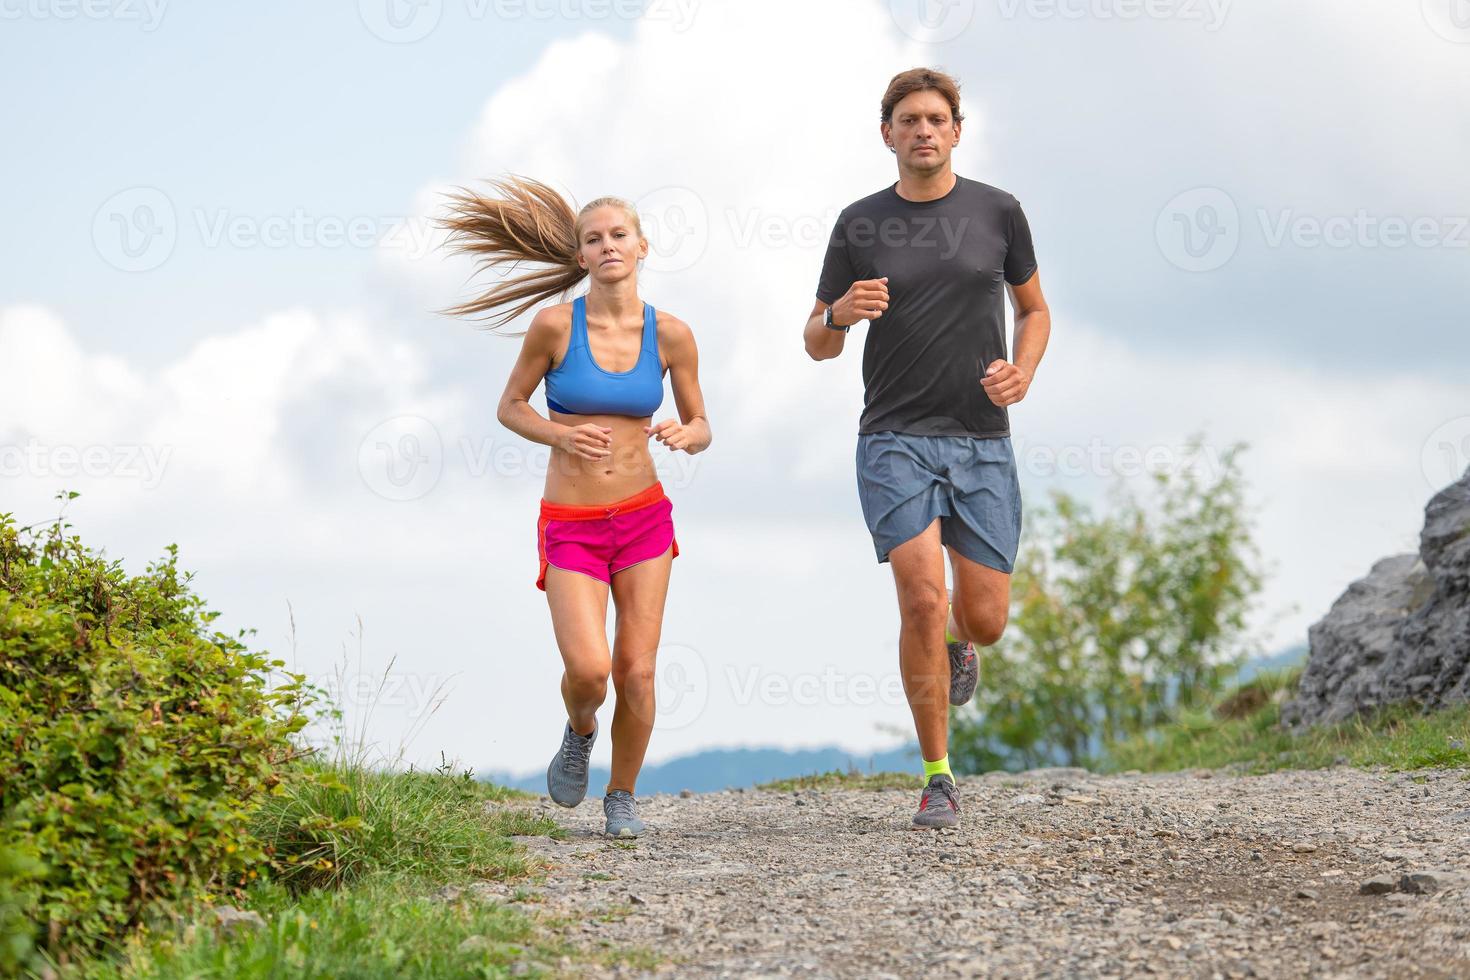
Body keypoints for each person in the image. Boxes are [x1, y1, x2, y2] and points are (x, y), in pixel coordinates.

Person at [804, 68, 1052, 829]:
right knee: (919, 596)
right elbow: (816, 343)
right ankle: (938, 776)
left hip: (981, 437)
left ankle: (960, 646)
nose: (922, 130)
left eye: (935, 119)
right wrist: (841, 313)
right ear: (888, 134)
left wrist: (1024, 369)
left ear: (955, 130)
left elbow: (1034, 310)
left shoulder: (998, 212)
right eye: (907, 119)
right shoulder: (860, 223)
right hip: (893, 438)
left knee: (982, 618)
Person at [438, 176, 712, 838]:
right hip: (572, 526)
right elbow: (510, 406)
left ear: (642, 246)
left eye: (620, 234)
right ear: (581, 256)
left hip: (645, 518)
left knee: (638, 670)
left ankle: (622, 795)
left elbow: (701, 422)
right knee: (591, 672)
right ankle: (580, 727)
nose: (608, 245)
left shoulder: (672, 334)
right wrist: (560, 433)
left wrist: (685, 434)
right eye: (595, 239)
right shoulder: (555, 326)